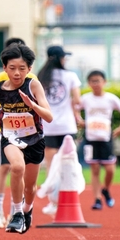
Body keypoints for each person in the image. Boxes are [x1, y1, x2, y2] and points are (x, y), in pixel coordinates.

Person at [0, 43, 53, 234]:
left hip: (34, 139)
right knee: (16, 167)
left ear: (30, 69)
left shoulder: (33, 84)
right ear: (4, 68)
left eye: (22, 69)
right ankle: (17, 213)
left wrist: (32, 105)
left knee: (31, 187)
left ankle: (27, 210)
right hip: (9, 137)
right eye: (12, 68)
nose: (17, 73)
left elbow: (49, 116)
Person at [0, 37, 36, 229]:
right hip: (6, 133)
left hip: (29, 134)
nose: (16, 71)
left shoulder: (32, 80)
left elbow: (39, 105)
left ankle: (19, 209)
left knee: (25, 174)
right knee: (6, 168)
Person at [37, 45, 82, 215]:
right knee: (67, 164)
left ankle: (52, 203)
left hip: (47, 125)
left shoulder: (41, 77)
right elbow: (77, 100)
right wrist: (73, 109)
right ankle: (67, 200)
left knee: (51, 165)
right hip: (66, 126)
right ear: (60, 58)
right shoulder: (70, 76)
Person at [78, 70, 120, 210]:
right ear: (89, 83)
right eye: (92, 81)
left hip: (106, 138)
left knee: (110, 169)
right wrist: (79, 120)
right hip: (90, 138)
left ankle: (105, 189)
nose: (96, 84)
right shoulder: (86, 98)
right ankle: (97, 199)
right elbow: (75, 108)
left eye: (98, 81)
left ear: (104, 82)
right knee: (94, 169)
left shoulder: (110, 98)